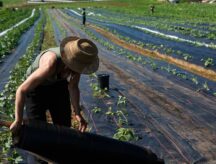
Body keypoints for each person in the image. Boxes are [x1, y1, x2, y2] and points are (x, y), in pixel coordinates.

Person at [10, 36, 99, 134]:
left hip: (57, 85)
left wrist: (77, 113)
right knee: (37, 129)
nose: (77, 71)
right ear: (70, 62)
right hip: (36, 88)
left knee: (64, 126)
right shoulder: (50, 63)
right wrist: (18, 120)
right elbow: (21, 90)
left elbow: (73, 87)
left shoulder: (77, 65)